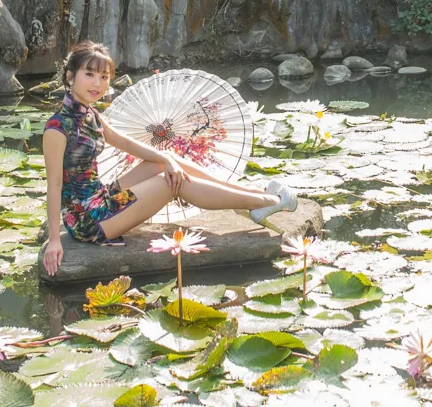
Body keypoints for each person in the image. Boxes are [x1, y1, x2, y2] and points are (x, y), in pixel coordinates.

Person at [41, 41, 297, 276]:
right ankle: (264, 201)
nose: (97, 83)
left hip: (101, 198)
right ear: (70, 76)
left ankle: (247, 192)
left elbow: (127, 143)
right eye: (89, 74)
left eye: (104, 77)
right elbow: (54, 187)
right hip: (88, 219)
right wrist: (54, 240)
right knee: (171, 182)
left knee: (167, 161)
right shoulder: (57, 128)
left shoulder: (91, 116)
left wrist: (168, 159)